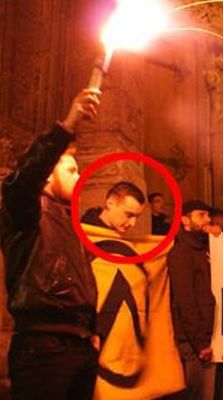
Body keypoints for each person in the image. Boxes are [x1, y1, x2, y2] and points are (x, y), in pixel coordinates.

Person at [0, 88, 101, 400]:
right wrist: (69, 123)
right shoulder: (25, 211)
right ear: (47, 177)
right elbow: (26, 176)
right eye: (70, 170)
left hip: (79, 346)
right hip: (43, 349)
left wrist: (92, 331)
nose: (79, 175)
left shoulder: (69, 222)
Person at [168, 200, 219, 400]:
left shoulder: (204, 249)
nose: (207, 219)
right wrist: (200, 342)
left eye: (208, 215)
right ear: (185, 220)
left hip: (207, 337)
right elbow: (185, 299)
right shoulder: (181, 251)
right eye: (201, 215)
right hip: (194, 343)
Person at [81, 181, 145, 234]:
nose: (133, 223)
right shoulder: (85, 231)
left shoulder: (121, 235)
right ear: (110, 203)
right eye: (128, 215)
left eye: (137, 217)